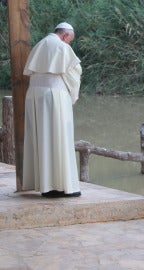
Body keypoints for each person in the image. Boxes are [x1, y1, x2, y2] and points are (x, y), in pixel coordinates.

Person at [22, 22, 82, 198]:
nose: (68, 44)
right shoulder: (61, 47)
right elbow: (74, 71)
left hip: (34, 95)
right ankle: (63, 186)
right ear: (65, 36)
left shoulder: (39, 45)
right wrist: (74, 94)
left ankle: (47, 186)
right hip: (54, 96)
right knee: (59, 137)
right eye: (69, 40)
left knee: (41, 138)